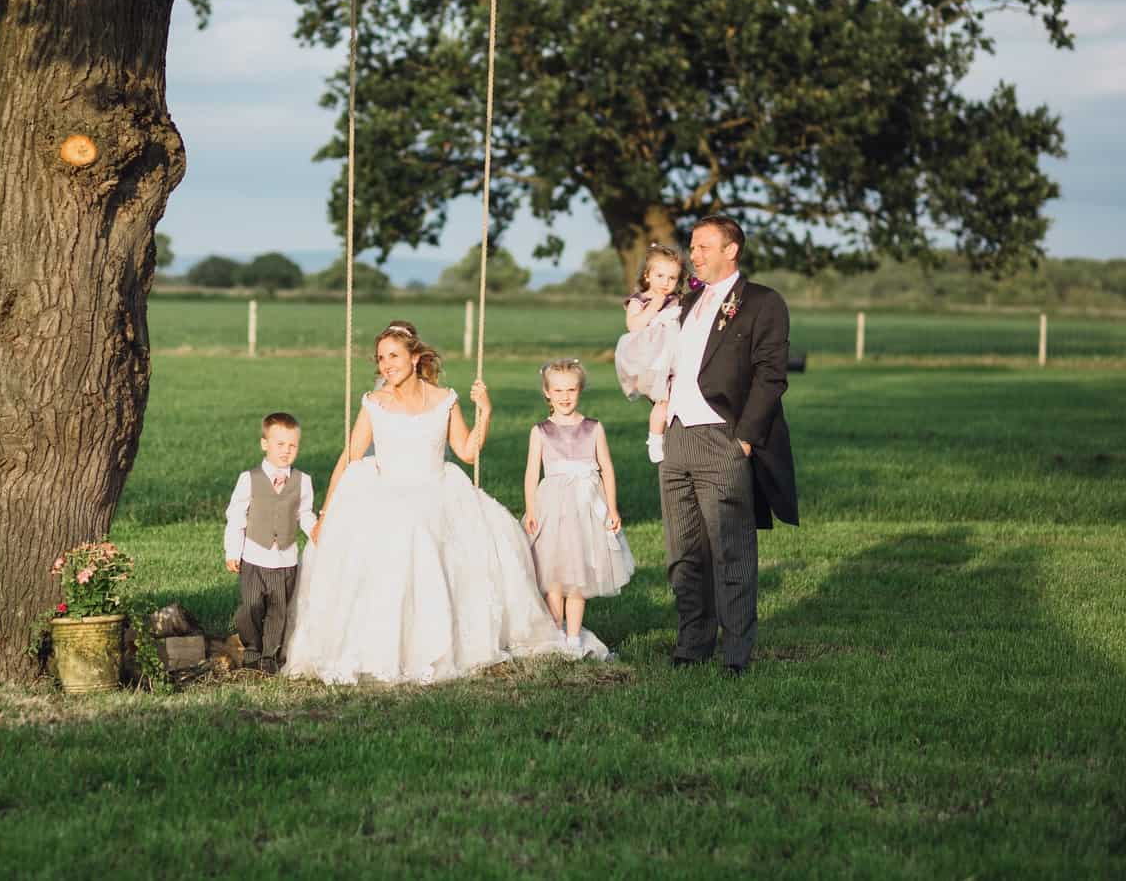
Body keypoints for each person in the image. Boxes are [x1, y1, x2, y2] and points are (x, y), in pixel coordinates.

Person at [283, 321, 602, 684]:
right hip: (385, 491)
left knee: (437, 533)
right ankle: (386, 647)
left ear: (414, 358)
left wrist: (484, 413)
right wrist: (326, 513)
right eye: (381, 358)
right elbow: (350, 456)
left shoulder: (444, 399)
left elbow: (467, 451)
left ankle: (439, 643)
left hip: (437, 488)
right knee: (400, 533)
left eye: (394, 356)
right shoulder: (374, 403)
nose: (386, 365)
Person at [657, 214, 798, 676]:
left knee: (730, 551)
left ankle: (735, 653)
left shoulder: (761, 302)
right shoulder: (685, 302)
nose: (693, 254)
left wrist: (744, 440)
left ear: (731, 250)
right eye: (692, 246)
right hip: (676, 437)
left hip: (724, 438)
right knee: (683, 552)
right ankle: (692, 644)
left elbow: (771, 376)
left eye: (703, 246)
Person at [522, 358, 634, 654]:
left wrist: (612, 508)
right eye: (558, 390)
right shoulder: (540, 431)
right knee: (553, 575)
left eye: (571, 390)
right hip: (553, 509)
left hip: (585, 508)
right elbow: (532, 473)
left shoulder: (593, 428)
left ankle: (573, 638)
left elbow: (606, 468)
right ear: (547, 393)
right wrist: (531, 509)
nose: (565, 397)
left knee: (578, 574)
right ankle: (555, 633)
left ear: (580, 390)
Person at [223, 412, 316, 673]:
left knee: (278, 611)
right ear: (265, 444)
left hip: (285, 560)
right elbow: (236, 515)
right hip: (254, 557)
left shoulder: (303, 481)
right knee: (251, 606)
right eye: (280, 444)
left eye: (292, 445)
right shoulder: (249, 479)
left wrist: (316, 531)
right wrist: (233, 551)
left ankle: (269, 656)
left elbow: (304, 514)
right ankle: (252, 647)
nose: (286, 451)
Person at [614, 244, 687, 463]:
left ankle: (678, 436)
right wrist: (653, 308)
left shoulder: (676, 300)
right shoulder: (640, 300)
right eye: (660, 276)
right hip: (652, 359)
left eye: (672, 278)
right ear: (647, 275)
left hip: (676, 356)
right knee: (662, 400)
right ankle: (654, 439)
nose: (665, 282)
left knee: (675, 398)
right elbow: (633, 326)